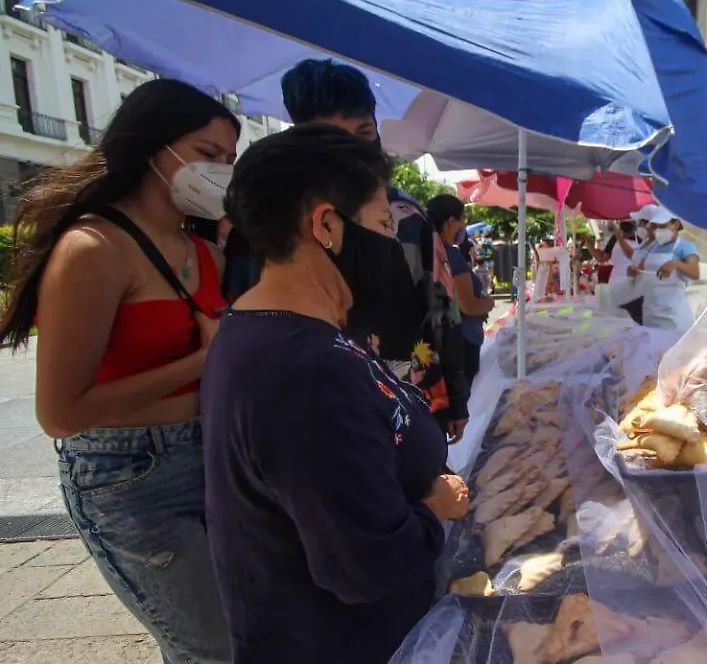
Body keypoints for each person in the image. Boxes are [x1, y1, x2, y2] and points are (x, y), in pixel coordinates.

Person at [203, 124, 469, 664]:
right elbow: (363, 565)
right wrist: (433, 508)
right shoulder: (298, 368)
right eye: (382, 225)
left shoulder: (295, 330)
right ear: (327, 224)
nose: (395, 246)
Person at [0, 79, 237, 663]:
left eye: (230, 161)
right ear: (156, 148)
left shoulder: (206, 250)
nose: (221, 174)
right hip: (131, 475)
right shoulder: (94, 248)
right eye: (208, 156)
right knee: (212, 648)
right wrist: (201, 362)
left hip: (212, 457)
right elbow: (60, 413)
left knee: (240, 636)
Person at [281, 58, 469, 441]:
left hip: (413, 398)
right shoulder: (284, 221)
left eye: (364, 131)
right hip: (324, 410)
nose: (355, 150)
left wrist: (456, 396)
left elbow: (443, 308)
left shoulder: (409, 216)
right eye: (334, 137)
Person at [428, 195, 495, 388]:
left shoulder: (429, 250)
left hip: (441, 342)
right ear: (450, 221)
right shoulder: (450, 254)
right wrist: (488, 303)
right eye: (462, 219)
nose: (463, 226)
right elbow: (468, 306)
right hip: (461, 343)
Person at [628, 205, 699, 331]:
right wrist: (632, 272)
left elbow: (695, 273)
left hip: (674, 318)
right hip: (651, 314)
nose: (658, 230)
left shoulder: (685, 247)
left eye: (662, 226)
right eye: (655, 226)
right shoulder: (653, 246)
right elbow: (639, 270)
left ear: (675, 224)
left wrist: (675, 264)